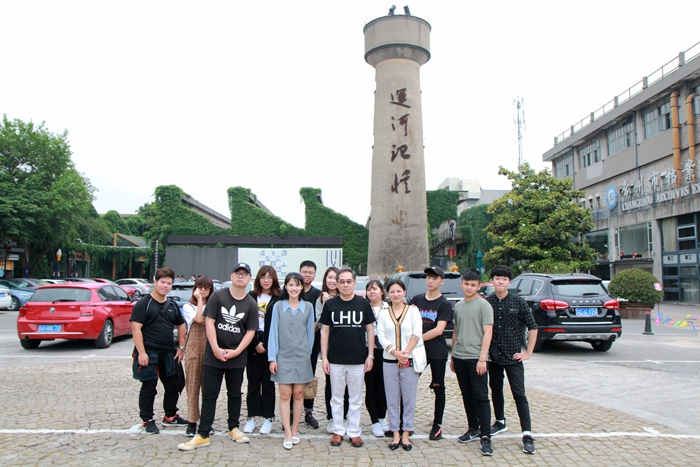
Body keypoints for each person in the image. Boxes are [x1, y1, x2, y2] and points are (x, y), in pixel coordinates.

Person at [178, 263, 258, 451]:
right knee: (209, 394)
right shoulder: (218, 296)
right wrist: (214, 348)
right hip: (213, 356)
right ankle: (203, 433)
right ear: (231, 276)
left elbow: (250, 331)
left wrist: (237, 351)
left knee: (235, 394)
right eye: (237, 273)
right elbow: (209, 322)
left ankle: (233, 428)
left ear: (249, 279)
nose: (240, 276)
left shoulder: (251, 303)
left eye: (244, 274)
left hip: (237, 357)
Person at [486, 265, 538, 455]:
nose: (501, 282)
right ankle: (500, 421)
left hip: (514, 356)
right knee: (495, 390)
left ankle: (527, 433)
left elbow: (533, 327)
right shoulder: (488, 302)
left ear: (509, 282)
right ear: (492, 281)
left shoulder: (519, 302)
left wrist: (528, 352)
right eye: (497, 278)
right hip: (494, 357)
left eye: (504, 279)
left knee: (519, 394)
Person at [320, 268, 375, 448]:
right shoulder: (330, 305)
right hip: (335, 359)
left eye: (348, 281)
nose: (345, 285)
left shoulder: (363, 303)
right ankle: (338, 430)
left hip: (358, 359)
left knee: (355, 398)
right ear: (336, 284)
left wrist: (370, 355)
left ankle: (354, 431)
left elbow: (370, 330)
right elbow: (325, 332)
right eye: (342, 281)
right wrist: (324, 357)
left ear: (354, 283)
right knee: (336, 397)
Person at [130, 267, 188, 434]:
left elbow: (181, 325)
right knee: (149, 387)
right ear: (155, 282)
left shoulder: (172, 305)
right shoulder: (144, 304)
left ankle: (170, 415)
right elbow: (136, 329)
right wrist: (142, 353)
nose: (165, 286)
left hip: (168, 352)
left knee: (175, 383)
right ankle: (147, 419)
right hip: (149, 353)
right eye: (162, 282)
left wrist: (181, 347)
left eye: (169, 283)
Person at [267, 272, 315, 450]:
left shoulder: (308, 307)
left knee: (299, 394)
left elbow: (310, 334)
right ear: (285, 287)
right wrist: (272, 358)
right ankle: (287, 431)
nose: (294, 288)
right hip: (283, 356)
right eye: (291, 285)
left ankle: (295, 429)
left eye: (297, 285)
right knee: (285, 394)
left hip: (302, 357)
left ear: (302, 287)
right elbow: (273, 333)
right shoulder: (278, 306)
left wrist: (307, 355)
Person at [450, 268, 494, 456]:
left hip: (477, 358)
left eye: (473, 285)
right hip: (460, 357)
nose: (469, 287)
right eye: (466, 284)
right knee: (466, 394)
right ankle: (473, 427)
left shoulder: (484, 306)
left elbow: (488, 333)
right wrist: (453, 355)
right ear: (461, 283)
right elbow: (456, 331)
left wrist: (482, 358)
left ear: (478, 286)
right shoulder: (459, 306)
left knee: (481, 396)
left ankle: (486, 435)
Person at [376, 279, 423, 452]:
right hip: (389, 361)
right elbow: (381, 336)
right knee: (392, 398)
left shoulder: (413, 310)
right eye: (392, 291)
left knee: (409, 398)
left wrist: (405, 353)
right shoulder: (383, 313)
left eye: (399, 291)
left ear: (404, 292)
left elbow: (417, 332)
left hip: (408, 361)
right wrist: (395, 352)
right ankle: (395, 432)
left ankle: (406, 433)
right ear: (387, 294)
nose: (396, 294)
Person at [410, 265, 452, 440]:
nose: (430, 281)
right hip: (416, 352)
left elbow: (439, 330)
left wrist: (416, 340)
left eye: (435, 278)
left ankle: (437, 424)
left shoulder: (444, 304)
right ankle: (405, 423)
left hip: (436, 352)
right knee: (408, 384)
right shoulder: (417, 300)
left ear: (442, 281)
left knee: (438, 387)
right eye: (428, 277)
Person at [243, 266, 281, 436]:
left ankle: (268, 417)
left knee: (268, 383)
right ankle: (251, 416)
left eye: (269, 277)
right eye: (263, 277)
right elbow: (245, 322)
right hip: (252, 342)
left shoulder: (279, 298)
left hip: (271, 342)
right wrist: (255, 342)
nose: (266, 280)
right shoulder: (251, 297)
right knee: (253, 382)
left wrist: (269, 344)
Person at [315, 266, 348, 433]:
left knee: (347, 385)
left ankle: (346, 417)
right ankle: (331, 417)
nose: (332, 281)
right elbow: (322, 324)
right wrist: (327, 304)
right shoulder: (321, 299)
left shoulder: (346, 298)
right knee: (331, 384)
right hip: (330, 347)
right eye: (330, 277)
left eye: (336, 278)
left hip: (346, 346)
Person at [181, 276, 214, 437]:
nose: (203, 290)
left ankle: (206, 422)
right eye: (200, 287)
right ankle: (192, 422)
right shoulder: (188, 307)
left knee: (208, 390)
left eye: (207, 287)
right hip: (193, 350)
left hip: (209, 349)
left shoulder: (214, 306)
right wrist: (200, 300)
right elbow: (199, 319)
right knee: (193, 387)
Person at [299, 260, 322, 429]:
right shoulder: (293, 290)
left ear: (314, 275)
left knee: (309, 375)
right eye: (304, 272)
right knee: (291, 377)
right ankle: (291, 412)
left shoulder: (318, 294)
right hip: (292, 342)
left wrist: (308, 332)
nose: (307, 275)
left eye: (310, 272)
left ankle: (308, 412)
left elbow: (319, 318)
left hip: (312, 341)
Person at [364, 279, 389, 437]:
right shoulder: (364, 308)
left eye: (375, 289)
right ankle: (374, 421)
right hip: (368, 351)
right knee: (371, 387)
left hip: (386, 351)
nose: (371, 292)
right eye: (369, 289)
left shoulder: (389, 308)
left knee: (384, 387)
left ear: (382, 291)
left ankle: (382, 417)